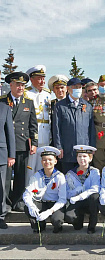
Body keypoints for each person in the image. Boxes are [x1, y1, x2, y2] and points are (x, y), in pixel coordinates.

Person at [0, 72, 38, 212]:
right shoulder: (2, 102)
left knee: (21, 176)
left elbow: (33, 124)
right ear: (11, 85)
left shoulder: (28, 102)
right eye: (18, 85)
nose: (20, 88)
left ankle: (18, 201)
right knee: (6, 177)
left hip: (22, 143)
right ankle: (5, 203)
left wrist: (34, 142)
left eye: (23, 85)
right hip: (7, 145)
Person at [53, 78, 95, 174]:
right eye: (75, 87)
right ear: (68, 89)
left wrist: (92, 146)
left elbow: (91, 128)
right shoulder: (60, 106)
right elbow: (57, 128)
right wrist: (59, 146)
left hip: (83, 149)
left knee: (83, 177)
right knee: (68, 176)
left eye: (80, 87)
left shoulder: (87, 106)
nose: (78, 89)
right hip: (68, 148)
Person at [23, 146, 66, 233]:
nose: (47, 162)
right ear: (41, 162)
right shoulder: (36, 176)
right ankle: (40, 225)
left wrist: (50, 211)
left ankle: (58, 226)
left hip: (55, 204)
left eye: (50, 160)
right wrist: (31, 206)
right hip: (42, 203)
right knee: (27, 207)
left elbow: (62, 199)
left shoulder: (60, 177)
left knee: (57, 220)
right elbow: (27, 194)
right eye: (44, 160)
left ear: (55, 161)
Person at [24, 65, 51, 185]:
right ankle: (28, 190)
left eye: (43, 78)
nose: (42, 81)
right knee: (30, 167)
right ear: (31, 79)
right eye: (39, 78)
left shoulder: (47, 94)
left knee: (43, 164)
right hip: (32, 135)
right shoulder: (26, 93)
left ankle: (40, 190)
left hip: (46, 134)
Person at [65, 145, 100, 233]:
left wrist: (80, 195)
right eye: (79, 156)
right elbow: (66, 192)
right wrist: (75, 192)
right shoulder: (70, 174)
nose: (82, 159)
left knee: (95, 197)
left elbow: (95, 188)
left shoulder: (94, 172)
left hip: (89, 202)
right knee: (69, 217)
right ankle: (78, 221)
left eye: (85, 156)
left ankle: (92, 225)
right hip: (76, 202)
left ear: (90, 158)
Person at [0, 102, 15, 228]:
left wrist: (11, 155)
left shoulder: (4, 108)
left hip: (1, 154)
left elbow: (10, 132)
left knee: (1, 187)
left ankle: (0, 216)